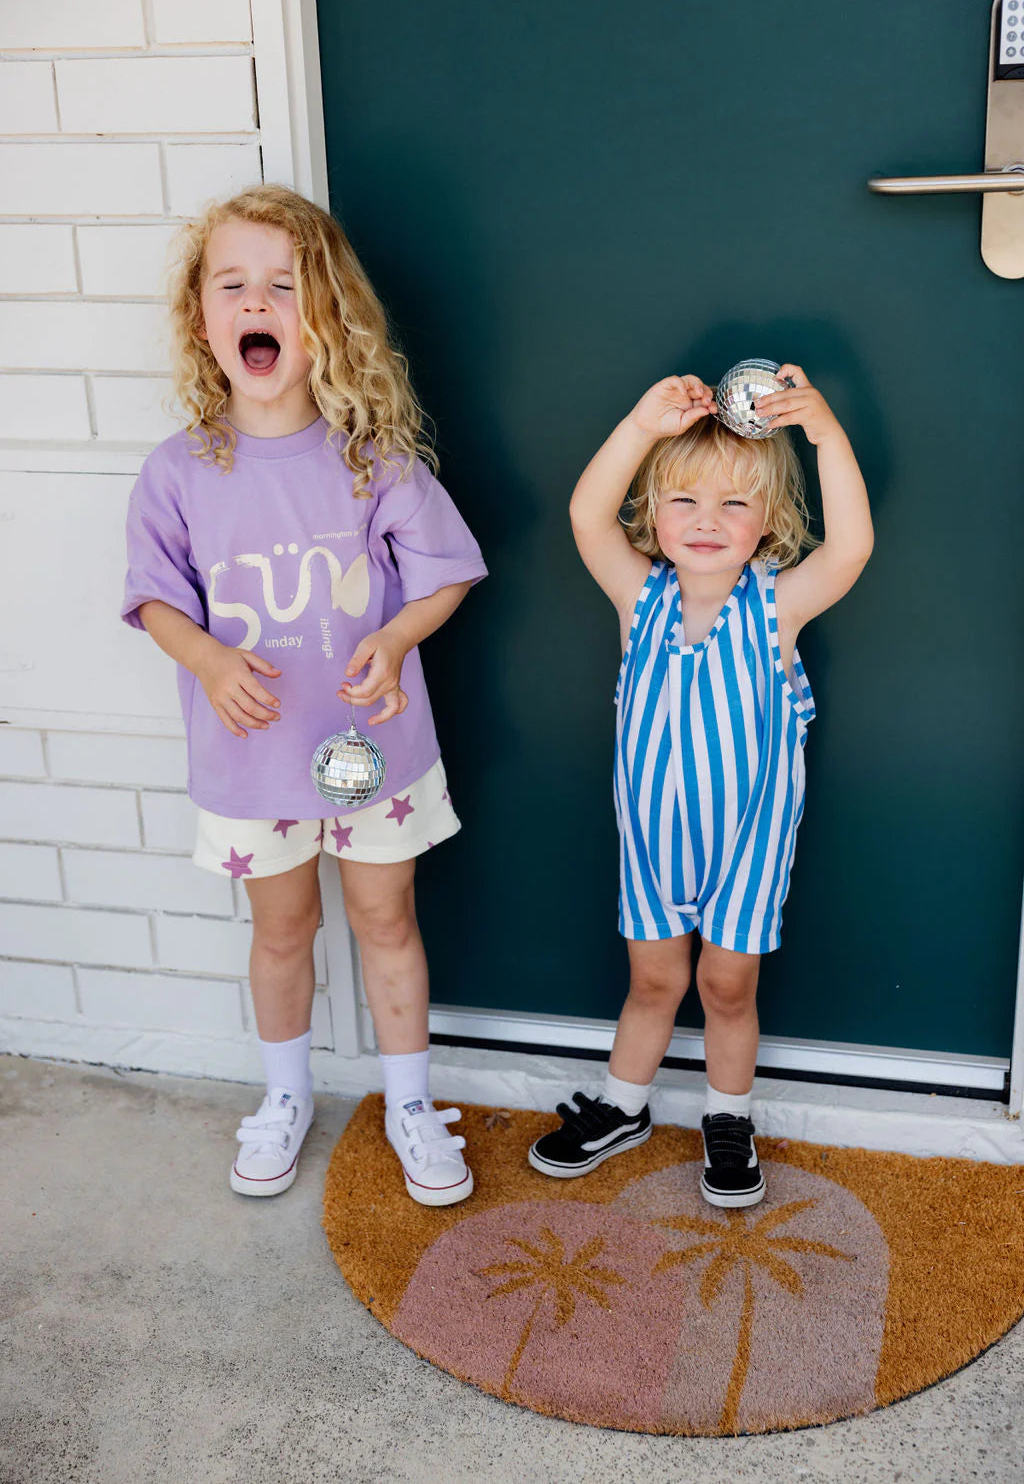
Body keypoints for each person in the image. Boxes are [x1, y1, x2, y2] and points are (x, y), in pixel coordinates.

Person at [121, 185, 486, 1205]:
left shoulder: (372, 456)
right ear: (203, 318)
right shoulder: (181, 471)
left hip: (376, 748)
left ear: (323, 315)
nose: (256, 301)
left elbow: (446, 570)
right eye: (232, 284)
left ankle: (409, 1102)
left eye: (283, 286)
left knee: (386, 921)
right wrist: (208, 659)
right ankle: (285, 1094)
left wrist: (396, 633)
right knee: (279, 930)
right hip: (256, 762)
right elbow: (152, 598)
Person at [529, 369, 872, 1206]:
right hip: (651, 845)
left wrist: (825, 433)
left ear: (769, 521)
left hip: (747, 846)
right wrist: (643, 424)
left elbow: (852, 547)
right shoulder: (637, 597)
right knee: (652, 981)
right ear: (653, 516)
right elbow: (584, 513)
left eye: (733, 505)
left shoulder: (776, 608)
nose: (707, 522)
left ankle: (727, 1115)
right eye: (683, 501)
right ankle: (624, 1104)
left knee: (726, 984)